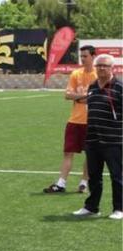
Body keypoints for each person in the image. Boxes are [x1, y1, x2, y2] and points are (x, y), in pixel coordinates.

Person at [73, 53, 122, 219]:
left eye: (105, 65)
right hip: (93, 140)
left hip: (114, 141)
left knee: (117, 176)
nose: (101, 68)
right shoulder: (92, 86)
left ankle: (119, 209)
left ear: (112, 68)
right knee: (94, 176)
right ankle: (91, 207)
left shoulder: (119, 86)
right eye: (99, 65)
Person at [44, 45, 96, 194]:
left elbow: (96, 98)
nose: (83, 59)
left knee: (90, 154)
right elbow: (67, 95)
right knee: (68, 153)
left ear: (93, 56)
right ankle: (61, 183)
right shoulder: (76, 74)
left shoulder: (98, 75)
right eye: (81, 56)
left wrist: (80, 97)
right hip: (74, 120)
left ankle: (84, 182)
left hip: (91, 121)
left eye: (85, 56)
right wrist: (83, 97)